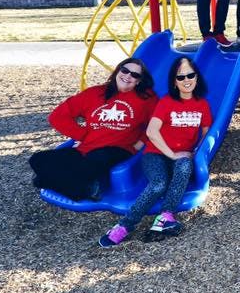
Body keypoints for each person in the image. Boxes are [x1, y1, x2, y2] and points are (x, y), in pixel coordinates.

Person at [99, 57, 213, 247]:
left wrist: (196, 151)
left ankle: (165, 217)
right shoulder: (167, 102)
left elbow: (206, 131)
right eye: (181, 77)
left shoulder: (202, 104)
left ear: (197, 77)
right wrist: (172, 154)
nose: (186, 80)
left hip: (181, 156)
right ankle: (124, 226)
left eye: (190, 75)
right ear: (174, 82)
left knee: (184, 165)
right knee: (159, 184)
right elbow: (152, 131)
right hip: (155, 154)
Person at [30, 58, 157, 201]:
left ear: (139, 81)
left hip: (117, 148)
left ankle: (53, 182)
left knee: (95, 160)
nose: (128, 76)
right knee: (37, 159)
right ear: (117, 71)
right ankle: (85, 188)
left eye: (135, 75)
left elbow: (159, 123)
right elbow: (57, 117)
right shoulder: (94, 93)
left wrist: (141, 141)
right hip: (86, 148)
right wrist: (82, 135)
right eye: (125, 70)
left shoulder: (147, 98)